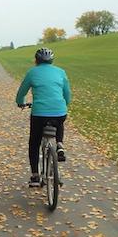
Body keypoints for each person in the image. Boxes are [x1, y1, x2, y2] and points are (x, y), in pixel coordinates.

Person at [16, 47, 72, 188]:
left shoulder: (32, 72)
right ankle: (59, 144)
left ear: (36, 60)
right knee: (59, 121)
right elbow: (67, 94)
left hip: (39, 114)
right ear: (52, 60)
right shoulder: (60, 72)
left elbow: (21, 92)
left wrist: (20, 103)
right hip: (59, 111)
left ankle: (35, 176)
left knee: (34, 143)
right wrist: (64, 104)